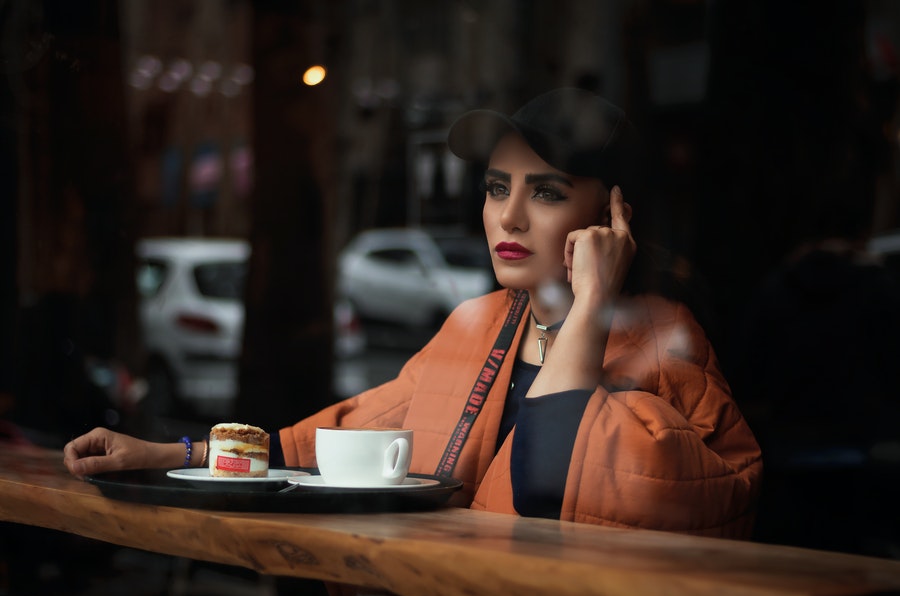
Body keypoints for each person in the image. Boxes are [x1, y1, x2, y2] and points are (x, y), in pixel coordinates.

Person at [64, 87, 762, 539]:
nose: (507, 216)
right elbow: (330, 444)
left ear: (613, 214)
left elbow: (558, 477)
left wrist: (593, 304)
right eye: (496, 189)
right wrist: (166, 455)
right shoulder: (482, 324)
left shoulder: (667, 341)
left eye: (545, 193)